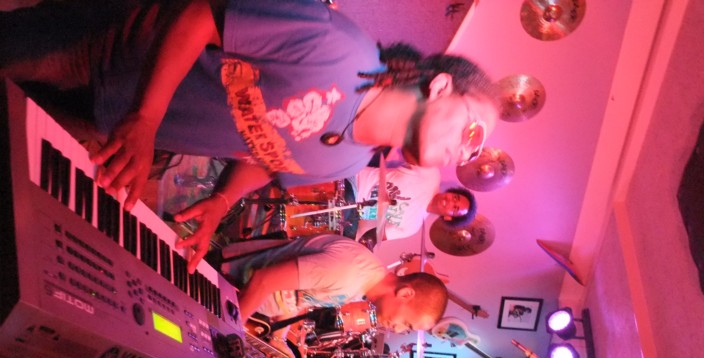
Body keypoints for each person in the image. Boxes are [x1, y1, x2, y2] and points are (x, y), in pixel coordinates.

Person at [1, 0, 499, 272]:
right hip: (103, 51)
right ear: (440, 86)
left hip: (109, 124)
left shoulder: (349, 163)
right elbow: (200, 17)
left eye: (473, 152)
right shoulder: (342, 50)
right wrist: (147, 120)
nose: (465, 155)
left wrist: (221, 202)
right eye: (472, 131)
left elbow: (270, 158)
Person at [222, 233, 448, 358]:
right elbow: (263, 280)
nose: (398, 329)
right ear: (406, 293)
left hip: (235, 298)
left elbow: (292, 296)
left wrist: (278, 339)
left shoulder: (359, 287)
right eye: (406, 324)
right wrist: (229, 331)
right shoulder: (348, 272)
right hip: (223, 278)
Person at [353, 157, 477, 243]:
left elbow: (375, 236)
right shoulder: (431, 174)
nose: (451, 201)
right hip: (354, 181)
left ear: (448, 218)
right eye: (455, 197)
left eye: (455, 208)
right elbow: (410, 148)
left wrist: (363, 245)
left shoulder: (412, 227)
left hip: (350, 211)